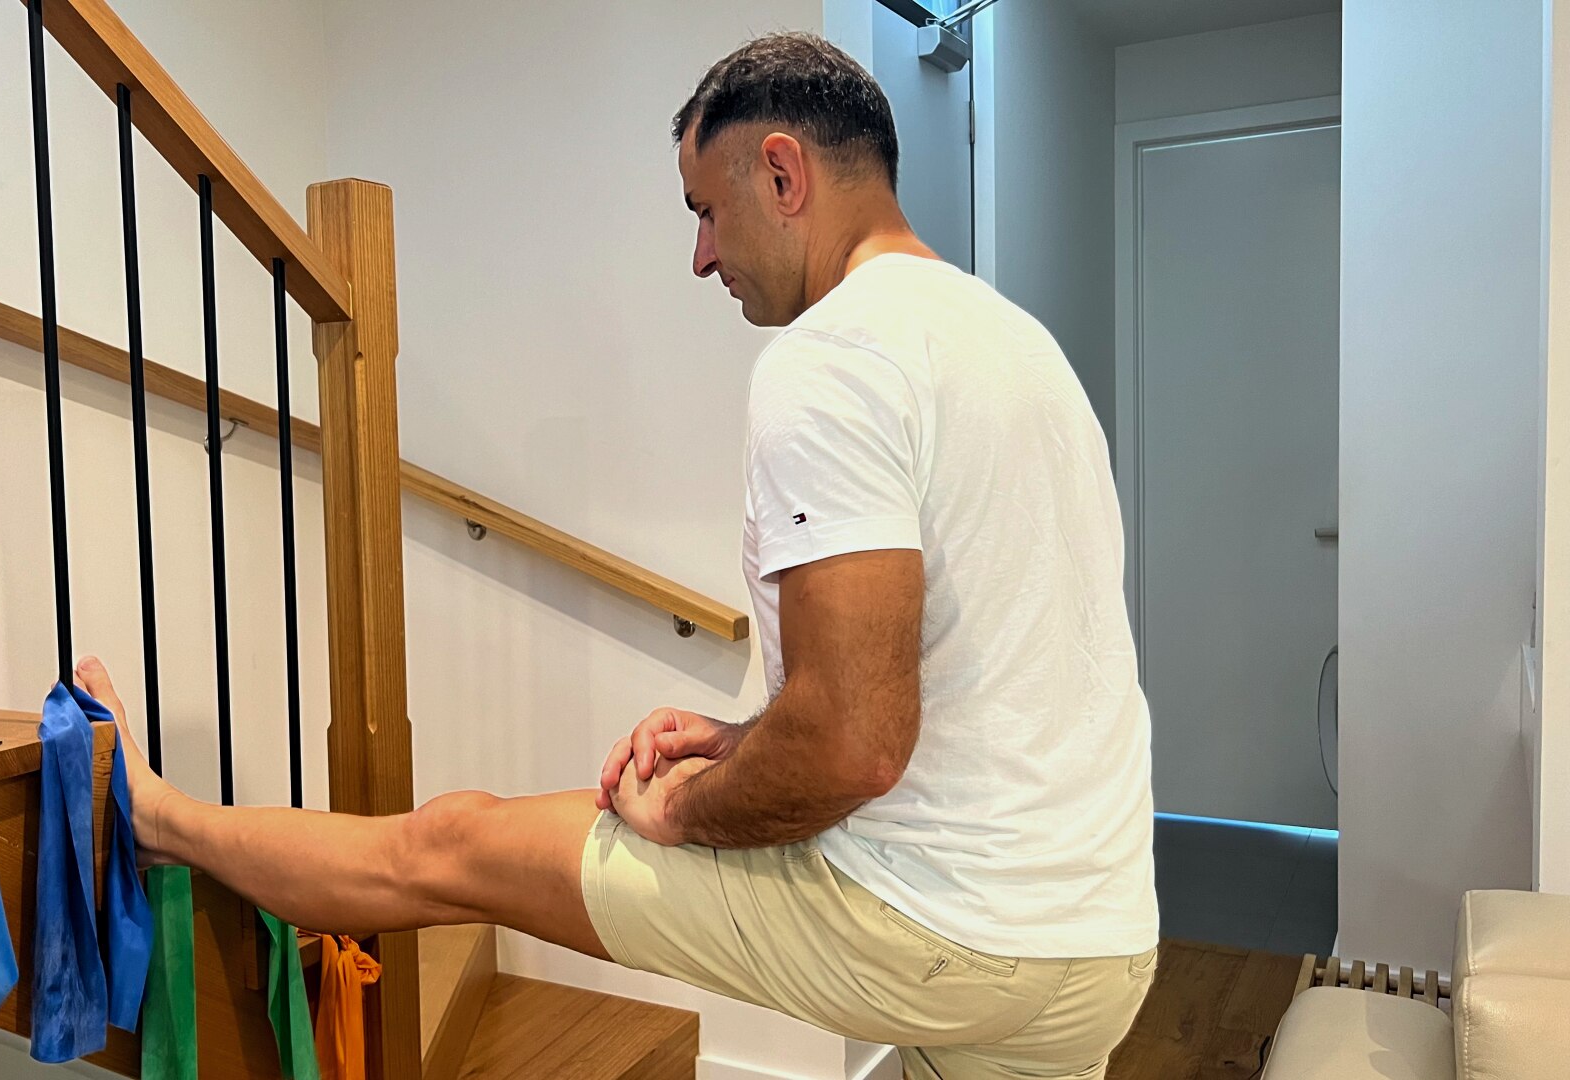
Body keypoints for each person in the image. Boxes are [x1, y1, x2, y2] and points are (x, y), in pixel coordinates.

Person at [75, 30, 1158, 1079]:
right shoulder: (1019, 346)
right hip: (1102, 938)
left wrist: (685, 805)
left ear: (781, 172)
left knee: (450, 844)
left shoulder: (832, 357)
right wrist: (743, 741)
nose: (700, 257)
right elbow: (961, 679)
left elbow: (856, 747)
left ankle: (160, 818)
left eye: (705, 211)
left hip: (944, 930)